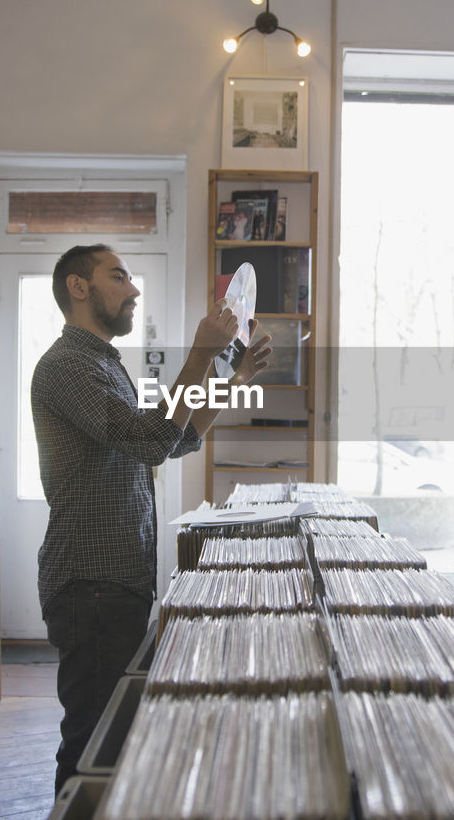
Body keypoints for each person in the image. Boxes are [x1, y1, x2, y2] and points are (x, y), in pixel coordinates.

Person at [31, 244, 271, 794]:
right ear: (78, 286)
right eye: (118, 277)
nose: (134, 290)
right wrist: (197, 355)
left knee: (108, 736)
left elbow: (176, 436)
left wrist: (230, 375)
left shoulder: (102, 364)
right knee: (92, 743)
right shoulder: (66, 366)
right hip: (90, 584)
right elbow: (151, 440)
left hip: (114, 582)